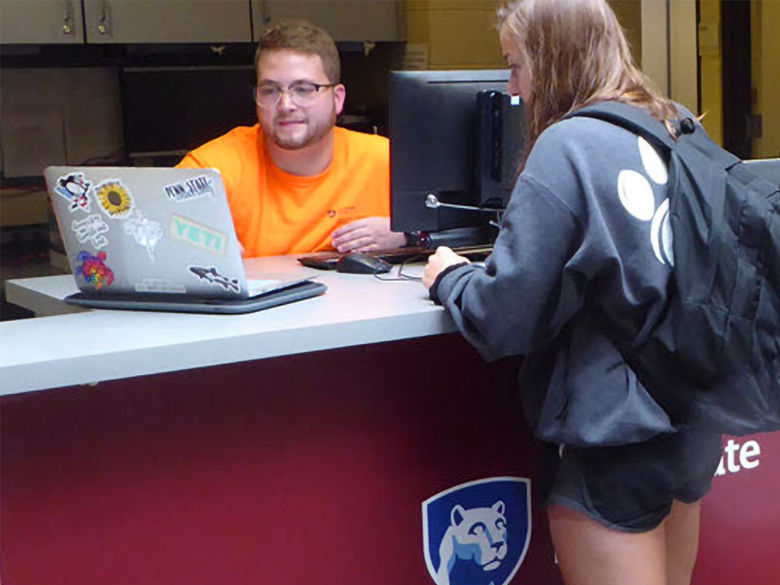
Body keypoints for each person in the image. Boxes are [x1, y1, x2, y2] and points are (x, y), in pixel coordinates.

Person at [421, 1, 722, 584]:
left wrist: (450, 278)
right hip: (691, 425)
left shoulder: (568, 146)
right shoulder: (679, 123)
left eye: (515, 66)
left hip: (615, 439)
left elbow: (503, 318)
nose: (513, 88)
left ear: (551, 60)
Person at [177, 20, 405, 257]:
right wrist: (189, 246)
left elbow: (445, 231)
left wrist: (406, 234)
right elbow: (150, 227)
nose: (286, 105)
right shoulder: (211, 170)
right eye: (270, 90)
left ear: (337, 99)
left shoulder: (389, 161)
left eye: (304, 89)